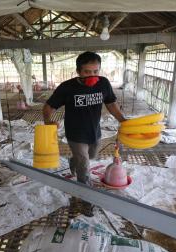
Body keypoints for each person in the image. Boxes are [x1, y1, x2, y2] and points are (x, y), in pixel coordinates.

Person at [43, 51, 126, 216]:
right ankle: (87, 199)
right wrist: (48, 122)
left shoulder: (103, 83)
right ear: (78, 71)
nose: (92, 75)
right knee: (85, 167)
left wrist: (123, 120)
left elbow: (111, 104)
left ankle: (73, 159)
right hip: (75, 133)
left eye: (96, 71)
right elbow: (48, 107)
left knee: (92, 155)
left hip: (94, 131)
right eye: (87, 72)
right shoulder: (67, 87)